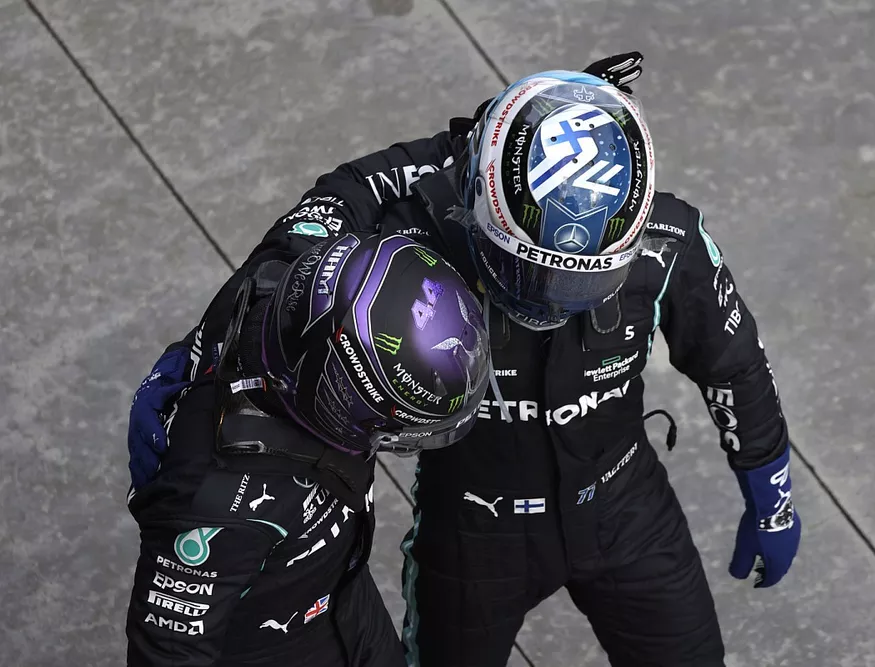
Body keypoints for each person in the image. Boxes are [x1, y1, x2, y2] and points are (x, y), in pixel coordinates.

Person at [129, 54, 801, 667]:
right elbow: (295, 253)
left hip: (628, 511)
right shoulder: (416, 216)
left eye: (578, 281)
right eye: (531, 270)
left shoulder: (667, 235)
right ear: (480, 194)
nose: (550, 298)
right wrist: (206, 348)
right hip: (475, 535)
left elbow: (734, 362)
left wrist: (770, 492)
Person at [124, 228, 492, 666]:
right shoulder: (212, 502)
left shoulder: (308, 282)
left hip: (348, 610)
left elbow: (362, 181)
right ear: (341, 399)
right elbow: (167, 653)